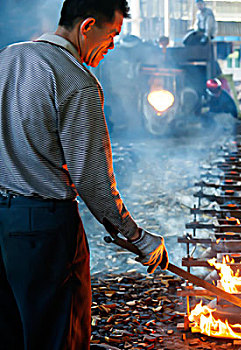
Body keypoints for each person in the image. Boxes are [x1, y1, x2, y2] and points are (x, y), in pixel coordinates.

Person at [0, 1, 169, 349]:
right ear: (88, 25)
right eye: (112, 35)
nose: (112, 47)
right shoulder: (77, 80)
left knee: (11, 330)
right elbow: (93, 182)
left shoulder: (6, 59)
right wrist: (138, 237)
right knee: (58, 335)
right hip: (42, 231)